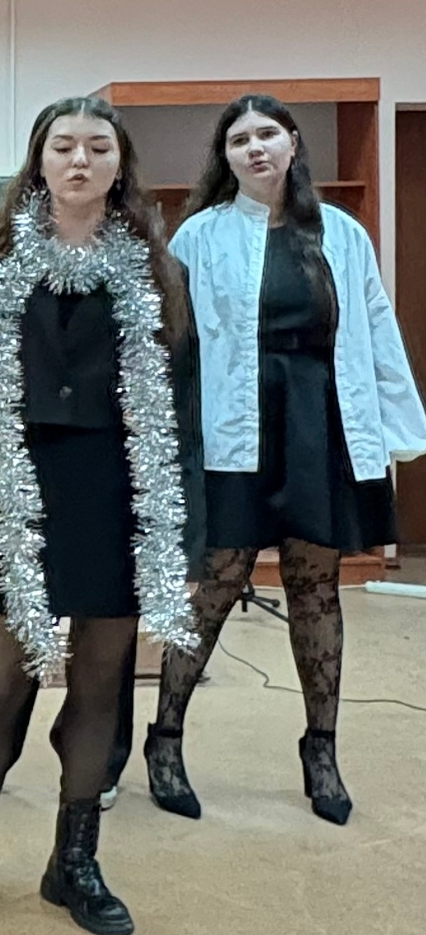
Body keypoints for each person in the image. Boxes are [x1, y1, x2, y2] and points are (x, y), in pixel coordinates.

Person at [0, 97, 199, 935]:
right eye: (63, 146)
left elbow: (182, 406)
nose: (80, 160)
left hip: (119, 497)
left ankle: (75, 861)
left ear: (120, 163)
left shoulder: (157, 271)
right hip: (19, 494)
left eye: (97, 147)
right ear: (39, 161)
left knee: (101, 685)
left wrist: (182, 534)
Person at [143, 94, 426, 826]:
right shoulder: (200, 235)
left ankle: (321, 748)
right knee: (214, 583)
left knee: (315, 585)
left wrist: (398, 430)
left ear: (293, 144)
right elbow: (172, 343)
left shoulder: (341, 232)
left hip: (316, 425)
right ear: (226, 157)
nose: (255, 147)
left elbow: (375, 326)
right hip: (231, 427)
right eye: (239, 139)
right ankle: (164, 739)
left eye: (268, 133)